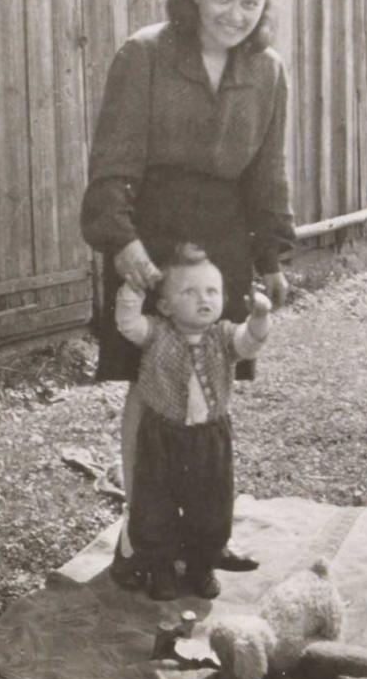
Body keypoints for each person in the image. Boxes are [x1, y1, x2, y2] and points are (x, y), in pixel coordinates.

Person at [80, 0, 295, 588]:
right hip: (150, 234)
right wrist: (124, 245)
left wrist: (272, 257)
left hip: (220, 247)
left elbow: (267, 176)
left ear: (264, 7)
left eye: (250, 3)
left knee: (209, 392)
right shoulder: (143, 54)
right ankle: (140, 542)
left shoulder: (267, 72)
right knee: (152, 390)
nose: (235, 15)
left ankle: (202, 535)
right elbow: (111, 166)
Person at [116, 244, 272, 600]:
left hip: (209, 438)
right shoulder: (155, 333)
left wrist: (260, 316)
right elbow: (127, 323)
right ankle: (160, 567)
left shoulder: (224, 336)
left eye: (212, 291)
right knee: (156, 502)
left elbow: (250, 343)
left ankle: (202, 565)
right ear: (166, 305)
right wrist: (134, 289)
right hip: (161, 436)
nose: (204, 298)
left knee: (212, 503)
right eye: (189, 291)